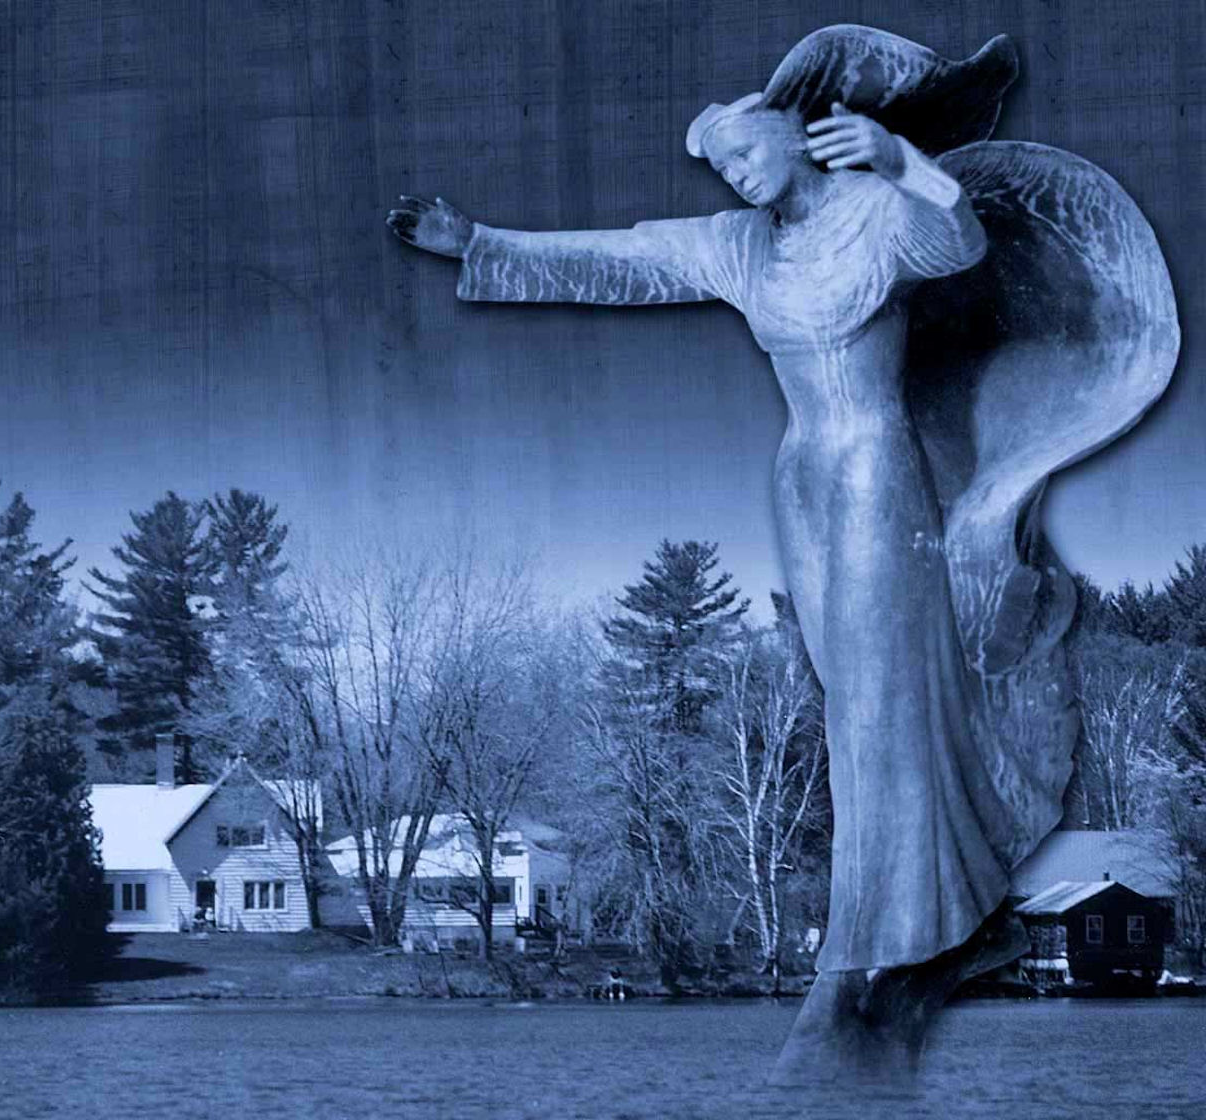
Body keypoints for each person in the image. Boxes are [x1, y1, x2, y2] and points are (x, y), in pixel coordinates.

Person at [388, 26, 1178, 1076]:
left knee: (883, 706)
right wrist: (477, 242)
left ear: (800, 135)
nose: (735, 175)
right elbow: (623, 259)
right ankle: (932, 922)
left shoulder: (874, 218)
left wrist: (899, 160)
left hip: (877, 471)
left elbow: (959, 246)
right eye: (721, 167)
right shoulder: (739, 245)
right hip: (806, 478)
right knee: (853, 709)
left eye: (746, 153)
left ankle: (874, 953)